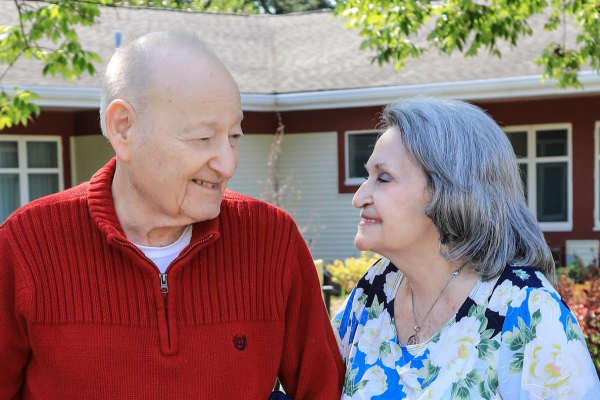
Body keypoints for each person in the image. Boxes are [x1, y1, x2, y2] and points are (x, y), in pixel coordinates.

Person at [0, 31, 343, 399]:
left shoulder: (272, 240)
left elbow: (322, 390)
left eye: (234, 136)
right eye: (202, 138)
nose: (227, 164)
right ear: (124, 128)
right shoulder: (25, 246)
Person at [332, 98, 600, 399]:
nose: (359, 197)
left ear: (448, 191)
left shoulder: (525, 310)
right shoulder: (376, 289)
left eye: (383, 178)